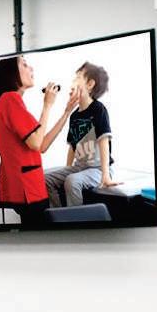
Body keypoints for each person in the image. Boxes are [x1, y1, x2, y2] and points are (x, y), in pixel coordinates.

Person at [0, 56, 80, 225]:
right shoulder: (11, 100)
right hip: (28, 189)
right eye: (24, 64)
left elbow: (42, 145)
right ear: (12, 72)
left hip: (28, 188)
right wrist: (47, 105)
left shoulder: (11, 102)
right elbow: (36, 142)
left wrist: (66, 112)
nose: (31, 68)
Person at [44, 62, 120, 207]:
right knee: (44, 179)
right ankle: (59, 214)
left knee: (72, 181)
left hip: (98, 169)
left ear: (90, 84)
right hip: (79, 167)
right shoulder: (74, 116)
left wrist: (105, 175)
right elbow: (72, 147)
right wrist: (67, 169)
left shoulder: (99, 109)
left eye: (78, 77)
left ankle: (75, 216)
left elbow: (104, 142)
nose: (73, 81)